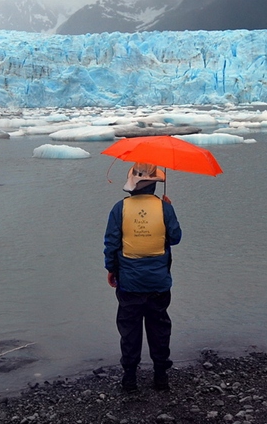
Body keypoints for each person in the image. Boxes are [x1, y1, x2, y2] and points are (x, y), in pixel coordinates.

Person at [103, 162, 182, 393]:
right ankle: (160, 377)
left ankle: (129, 379)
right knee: (159, 328)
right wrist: (169, 209)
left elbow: (111, 244)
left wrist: (111, 269)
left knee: (129, 331)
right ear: (154, 185)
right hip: (159, 282)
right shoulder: (164, 208)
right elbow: (175, 238)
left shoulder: (119, 208)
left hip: (129, 283)